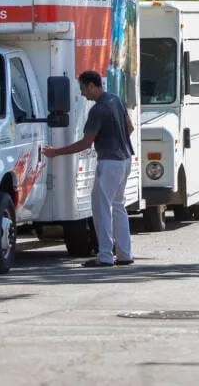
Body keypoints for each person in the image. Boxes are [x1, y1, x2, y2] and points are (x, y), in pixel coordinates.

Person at [42, 71, 134, 267]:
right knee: (118, 206)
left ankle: (105, 255)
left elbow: (85, 143)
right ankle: (125, 254)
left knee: (102, 208)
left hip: (109, 162)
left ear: (92, 86)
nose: (82, 93)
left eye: (83, 88)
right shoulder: (116, 100)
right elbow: (130, 127)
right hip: (126, 158)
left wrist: (55, 152)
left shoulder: (98, 110)